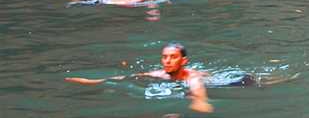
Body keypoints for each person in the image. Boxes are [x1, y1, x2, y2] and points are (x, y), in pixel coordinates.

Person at [65, 42, 213, 113]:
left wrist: (200, 101)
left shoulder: (192, 77)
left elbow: (197, 88)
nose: (167, 61)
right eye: (164, 57)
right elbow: (126, 77)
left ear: (184, 61)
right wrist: (91, 81)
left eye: (173, 57)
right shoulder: (158, 74)